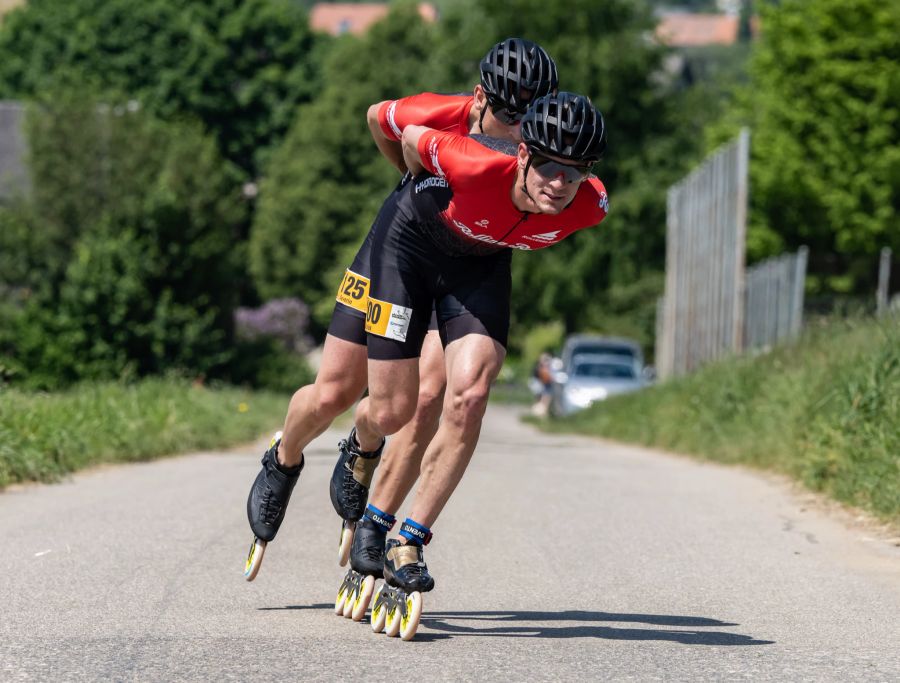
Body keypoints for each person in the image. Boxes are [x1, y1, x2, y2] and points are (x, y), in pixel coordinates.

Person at [244, 39, 559, 580]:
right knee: (333, 393)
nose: (519, 128)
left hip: (467, 269)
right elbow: (378, 117)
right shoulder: (439, 114)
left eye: (531, 115)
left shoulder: (532, 147)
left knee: (423, 398)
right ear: (481, 97)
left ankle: (366, 450)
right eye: (509, 114)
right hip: (399, 251)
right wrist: (411, 174)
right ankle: (285, 457)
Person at [346, 91, 609, 609]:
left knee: (469, 396)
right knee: (400, 407)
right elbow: (410, 138)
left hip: (478, 267)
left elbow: (574, 190)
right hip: (410, 247)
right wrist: (419, 185)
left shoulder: (590, 204)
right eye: (551, 166)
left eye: (575, 172)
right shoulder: (471, 161)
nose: (560, 184)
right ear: (525, 155)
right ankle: (362, 447)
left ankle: (407, 539)